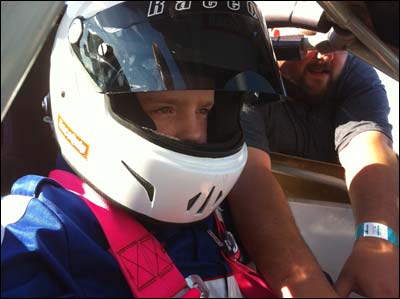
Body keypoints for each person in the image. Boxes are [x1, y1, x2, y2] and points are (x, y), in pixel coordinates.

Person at [4, 1, 340, 298]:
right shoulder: (36, 236)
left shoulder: (214, 218)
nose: (195, 134)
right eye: (165, 108)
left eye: (205, 110)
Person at [236, 26, 399, 297]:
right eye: (312, 37)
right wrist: (304, 283)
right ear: (275, 33)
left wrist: (378, 239)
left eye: (341, 43)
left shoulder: (356, 75)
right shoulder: (246, 69)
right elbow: (251, 173)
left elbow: (368, 145)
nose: (326, 55)